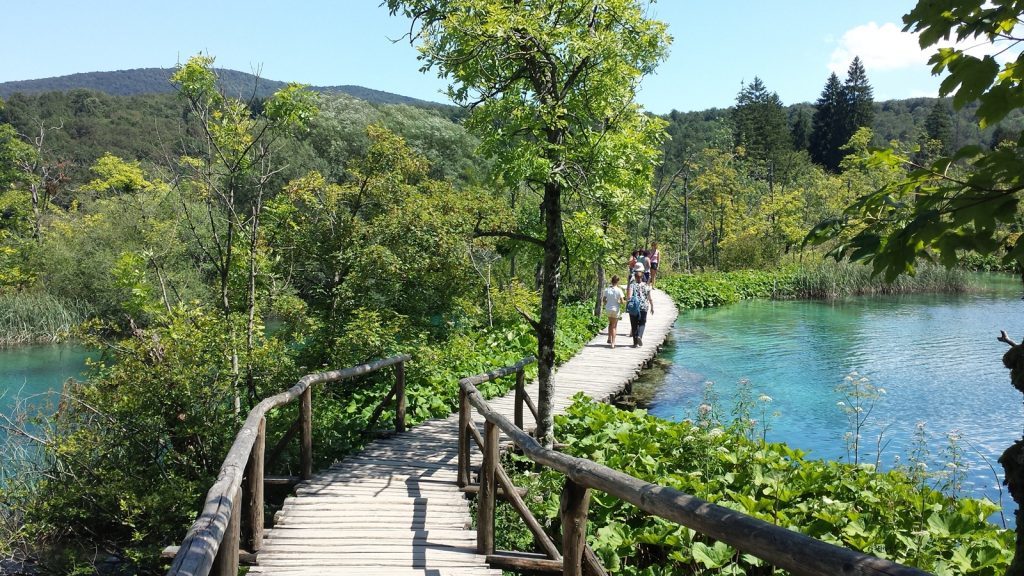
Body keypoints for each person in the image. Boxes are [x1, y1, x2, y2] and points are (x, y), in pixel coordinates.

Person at [626, 269, 654, 347]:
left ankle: (635, 343)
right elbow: (649, 297)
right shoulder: (646, 286)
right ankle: (639, 336)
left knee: (634, 324)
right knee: (642, 323)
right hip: (644, 306)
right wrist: (652, 306)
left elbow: (629, 296)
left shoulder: (632, 285)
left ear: (635, 277)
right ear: (642, 277)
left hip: (634, 306)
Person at [602, 275, 625, 348]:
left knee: (610, 323)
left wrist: (607, 303)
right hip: (615, 309)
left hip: (608, 308)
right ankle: (613, 343)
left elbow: (604, 300)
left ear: (611, 281)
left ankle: (609, 338)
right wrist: (621, 301)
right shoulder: (619, 290)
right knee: (614, 326)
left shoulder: (607, 289)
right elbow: (622, 301)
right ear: (617, 281)